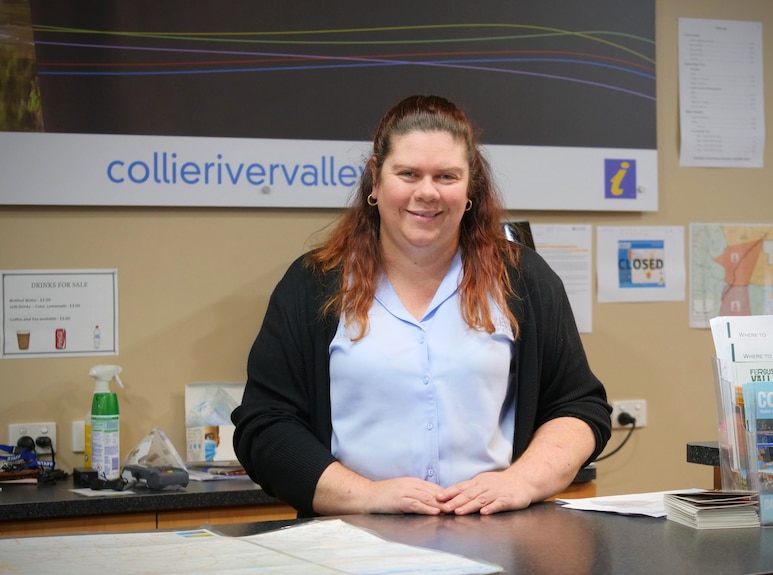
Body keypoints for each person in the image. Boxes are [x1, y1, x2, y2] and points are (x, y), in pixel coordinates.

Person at [232, 94, 612, 518]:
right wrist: (366, 496)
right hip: (353, 542)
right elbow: (264, 426)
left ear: (471, 187)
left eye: (447, 176)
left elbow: (579, 407)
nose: (427, 192)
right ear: (375, 181)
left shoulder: (522, 279)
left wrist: (521, 481)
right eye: (408, 173)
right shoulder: (314, 284)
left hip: (497, 540)